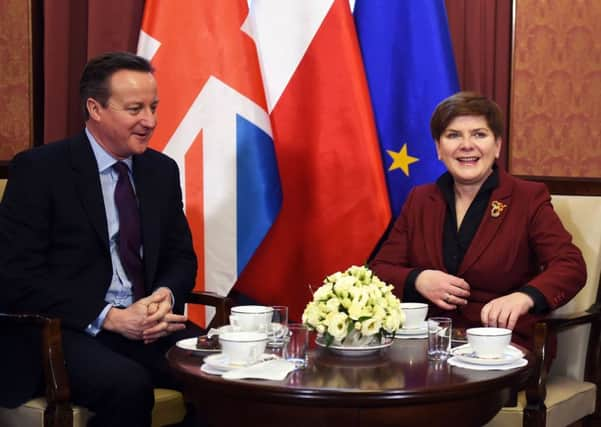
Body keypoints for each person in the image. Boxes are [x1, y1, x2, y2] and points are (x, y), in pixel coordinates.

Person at [0, 52, 198, 427]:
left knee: (221, 373)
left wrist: (165, 296)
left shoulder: (161, 171)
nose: (150, 121)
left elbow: (181, 257)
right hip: (66, 329)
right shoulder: (41, 170)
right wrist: (109, 318)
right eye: (135, 109)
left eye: (154, 107)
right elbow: (14, 276)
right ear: (95, 108)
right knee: (127, 386)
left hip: (146, 326)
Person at [370, 91, 586, 355]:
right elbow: (380, 268)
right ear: (439, 148)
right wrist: (418, 279)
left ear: (497, 146)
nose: (466, 145)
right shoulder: (420, 199)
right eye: (453, 135)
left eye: (479, 134)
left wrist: (524, 297)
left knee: (445, 392)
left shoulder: (528, 197)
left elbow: (570, 265)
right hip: (427, 346)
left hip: (500, 344)